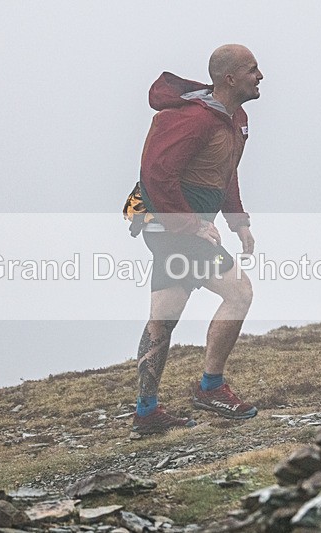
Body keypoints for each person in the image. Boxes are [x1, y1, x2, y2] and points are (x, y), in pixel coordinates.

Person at [129, 44, 264, 435]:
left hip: (176, 228)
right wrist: (190, 225)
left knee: (164, 317)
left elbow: (225, 171)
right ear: (230, 78)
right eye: (252, 69)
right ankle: (211, 388)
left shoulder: (236, 118)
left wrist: (238, 221)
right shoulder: (195, 118)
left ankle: (146, 412)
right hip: (171, 227)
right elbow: (156, 173)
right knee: (239, 293)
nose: (260, 76)